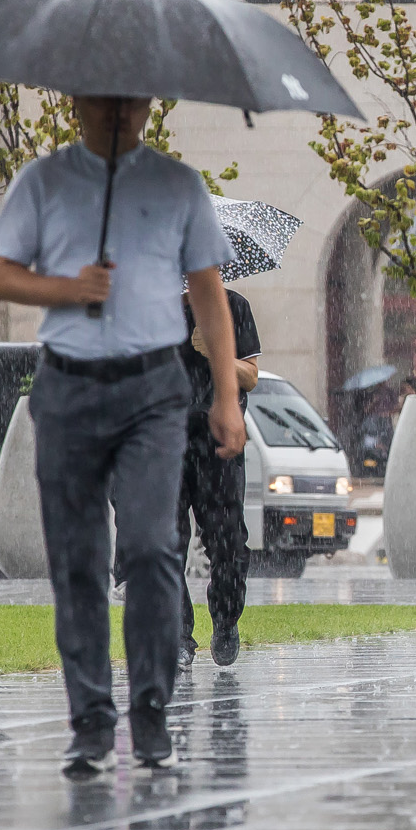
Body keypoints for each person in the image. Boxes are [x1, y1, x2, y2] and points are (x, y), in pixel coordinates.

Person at [0, 94, 242, 778]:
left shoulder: (178, 186)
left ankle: (151, 709)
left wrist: (225, 394)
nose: (121, 115)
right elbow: (2, 276)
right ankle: (92, 717)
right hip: (68, 386)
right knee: (77, 560)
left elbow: (210, 295)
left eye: (134, 105)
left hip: (153, 391)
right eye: (106, 104)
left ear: (151, 109)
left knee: (152, 548)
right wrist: (69, 288)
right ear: (77, 106)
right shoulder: (43, 182)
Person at [175, 286, 261, 670]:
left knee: (228, 541)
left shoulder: (234, 306)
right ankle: (176, 635)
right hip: (166, 441)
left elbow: (251, 377)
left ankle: (225, 620)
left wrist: (216, 350)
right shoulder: (151, 305)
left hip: (219, 444)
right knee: (165, 543)